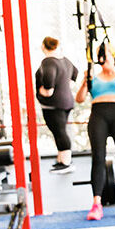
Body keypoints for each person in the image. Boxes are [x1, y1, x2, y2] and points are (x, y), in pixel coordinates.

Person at [75, 41, 115, 220]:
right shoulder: (93, 77)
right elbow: (79, 99)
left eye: (106, 57)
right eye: (100, 59)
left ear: (113, 56)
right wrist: (84, 83)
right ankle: (97, 204)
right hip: (98, 115)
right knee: (98, 158)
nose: (103, 61)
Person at [34, 36, 80, 172]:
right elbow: (75, 73)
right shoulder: (64, 60)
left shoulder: (48, 62)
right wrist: (65, 86)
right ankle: (62, 159)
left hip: (53, 104)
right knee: (59, 131)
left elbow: (48, 82)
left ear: (43, 47)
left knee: (60, 132)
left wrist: (45, 91)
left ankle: (66, 163)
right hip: (65, 102)